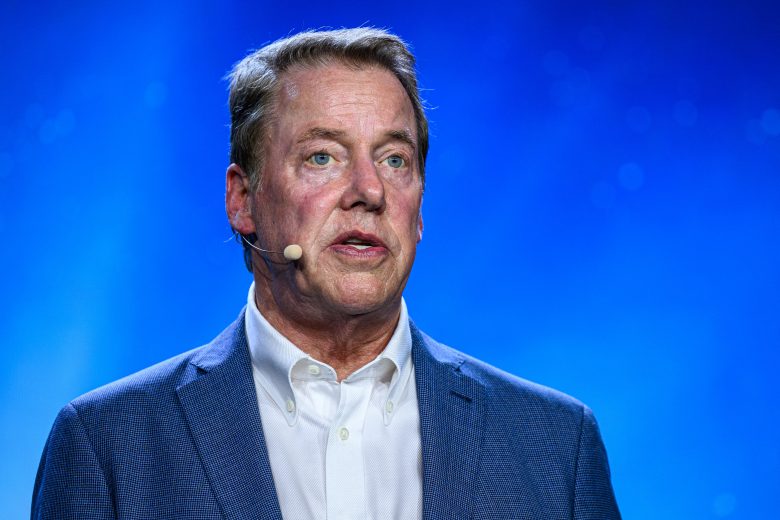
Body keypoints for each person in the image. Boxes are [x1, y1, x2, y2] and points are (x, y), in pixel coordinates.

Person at [32, 28, 621, 519]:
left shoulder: (556, 444)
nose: (369, 191)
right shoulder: (106, 443)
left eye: (395, 159)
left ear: (419, 208)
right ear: (243, 200)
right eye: (322, 157)